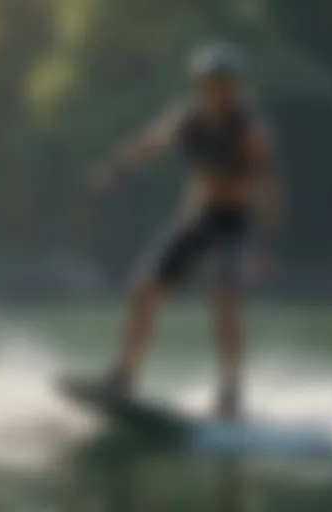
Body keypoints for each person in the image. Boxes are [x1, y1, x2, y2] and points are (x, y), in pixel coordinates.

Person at [85, 42, 281, 420]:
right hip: (198, 218)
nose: (217, 89)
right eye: (210, 82)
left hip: (235, 223)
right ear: (200, 85)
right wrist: (113, 170)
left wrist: (262, 244)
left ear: (237, 86)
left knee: (225, 299)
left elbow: (266, 187)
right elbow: (148, 144)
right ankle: (124, 376)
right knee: (144, 289)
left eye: (225, 82)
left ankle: (231, 392)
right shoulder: (187, 119)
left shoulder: (251, 131)